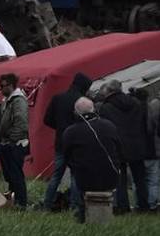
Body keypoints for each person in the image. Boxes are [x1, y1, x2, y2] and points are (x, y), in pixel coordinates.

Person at [63, 97, 121, 223]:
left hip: (85, 178)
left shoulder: (70, 132)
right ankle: (110, 212)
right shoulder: (109, 126)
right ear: (94, 109)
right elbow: (119, 149)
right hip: (110, 176)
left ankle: (83, 215)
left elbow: (67, 157)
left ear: (75, 113)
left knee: (77, 176)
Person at [41, 72, 92, 212]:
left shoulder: (58, 98)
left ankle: (47, 204)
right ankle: (74, 206)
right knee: (76, 175)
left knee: (56, 176)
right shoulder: (82, 101)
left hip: (60, 142)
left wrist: (59, 127)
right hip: (77, 145)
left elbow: (47, 120)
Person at [99, 79, 149, 213]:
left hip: (118, 146)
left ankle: (123, 206)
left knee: (120, 180)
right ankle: (144, 205)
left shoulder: (105, 107)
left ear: (109, 91)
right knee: (140, 178)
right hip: (137, 144)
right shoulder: (136, 103)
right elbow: (144, 124)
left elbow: (105, 130)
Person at [0, 73, 30, 209]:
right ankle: (13, 200)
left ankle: (21, 203)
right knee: (10, 175)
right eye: (1, 86)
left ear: (11, 85)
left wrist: (12, 140)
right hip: (7, 143)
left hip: (15, 144)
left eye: (4, 86)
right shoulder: (8, 100)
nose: (1, 89)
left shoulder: (18, 100)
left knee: (16, 175)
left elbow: (21, 123)